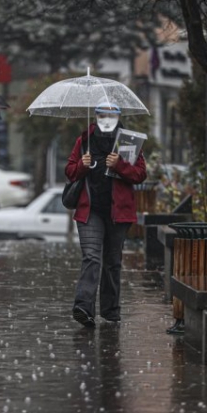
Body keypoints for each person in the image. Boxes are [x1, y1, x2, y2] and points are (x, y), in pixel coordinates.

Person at [65, 100, 147, 327]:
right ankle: (84, 307)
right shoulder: (84, 141)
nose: (107, 119)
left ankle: (111, 311)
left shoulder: (128, 142)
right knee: (91, 257)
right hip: (90, 210)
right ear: (96, 117)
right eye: (103, 115)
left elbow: (140, 174)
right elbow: (70, 171)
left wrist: (119, 164)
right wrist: (82, 164)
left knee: (112, 262)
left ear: (119, 118)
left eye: (112, 115)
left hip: (118, 212)